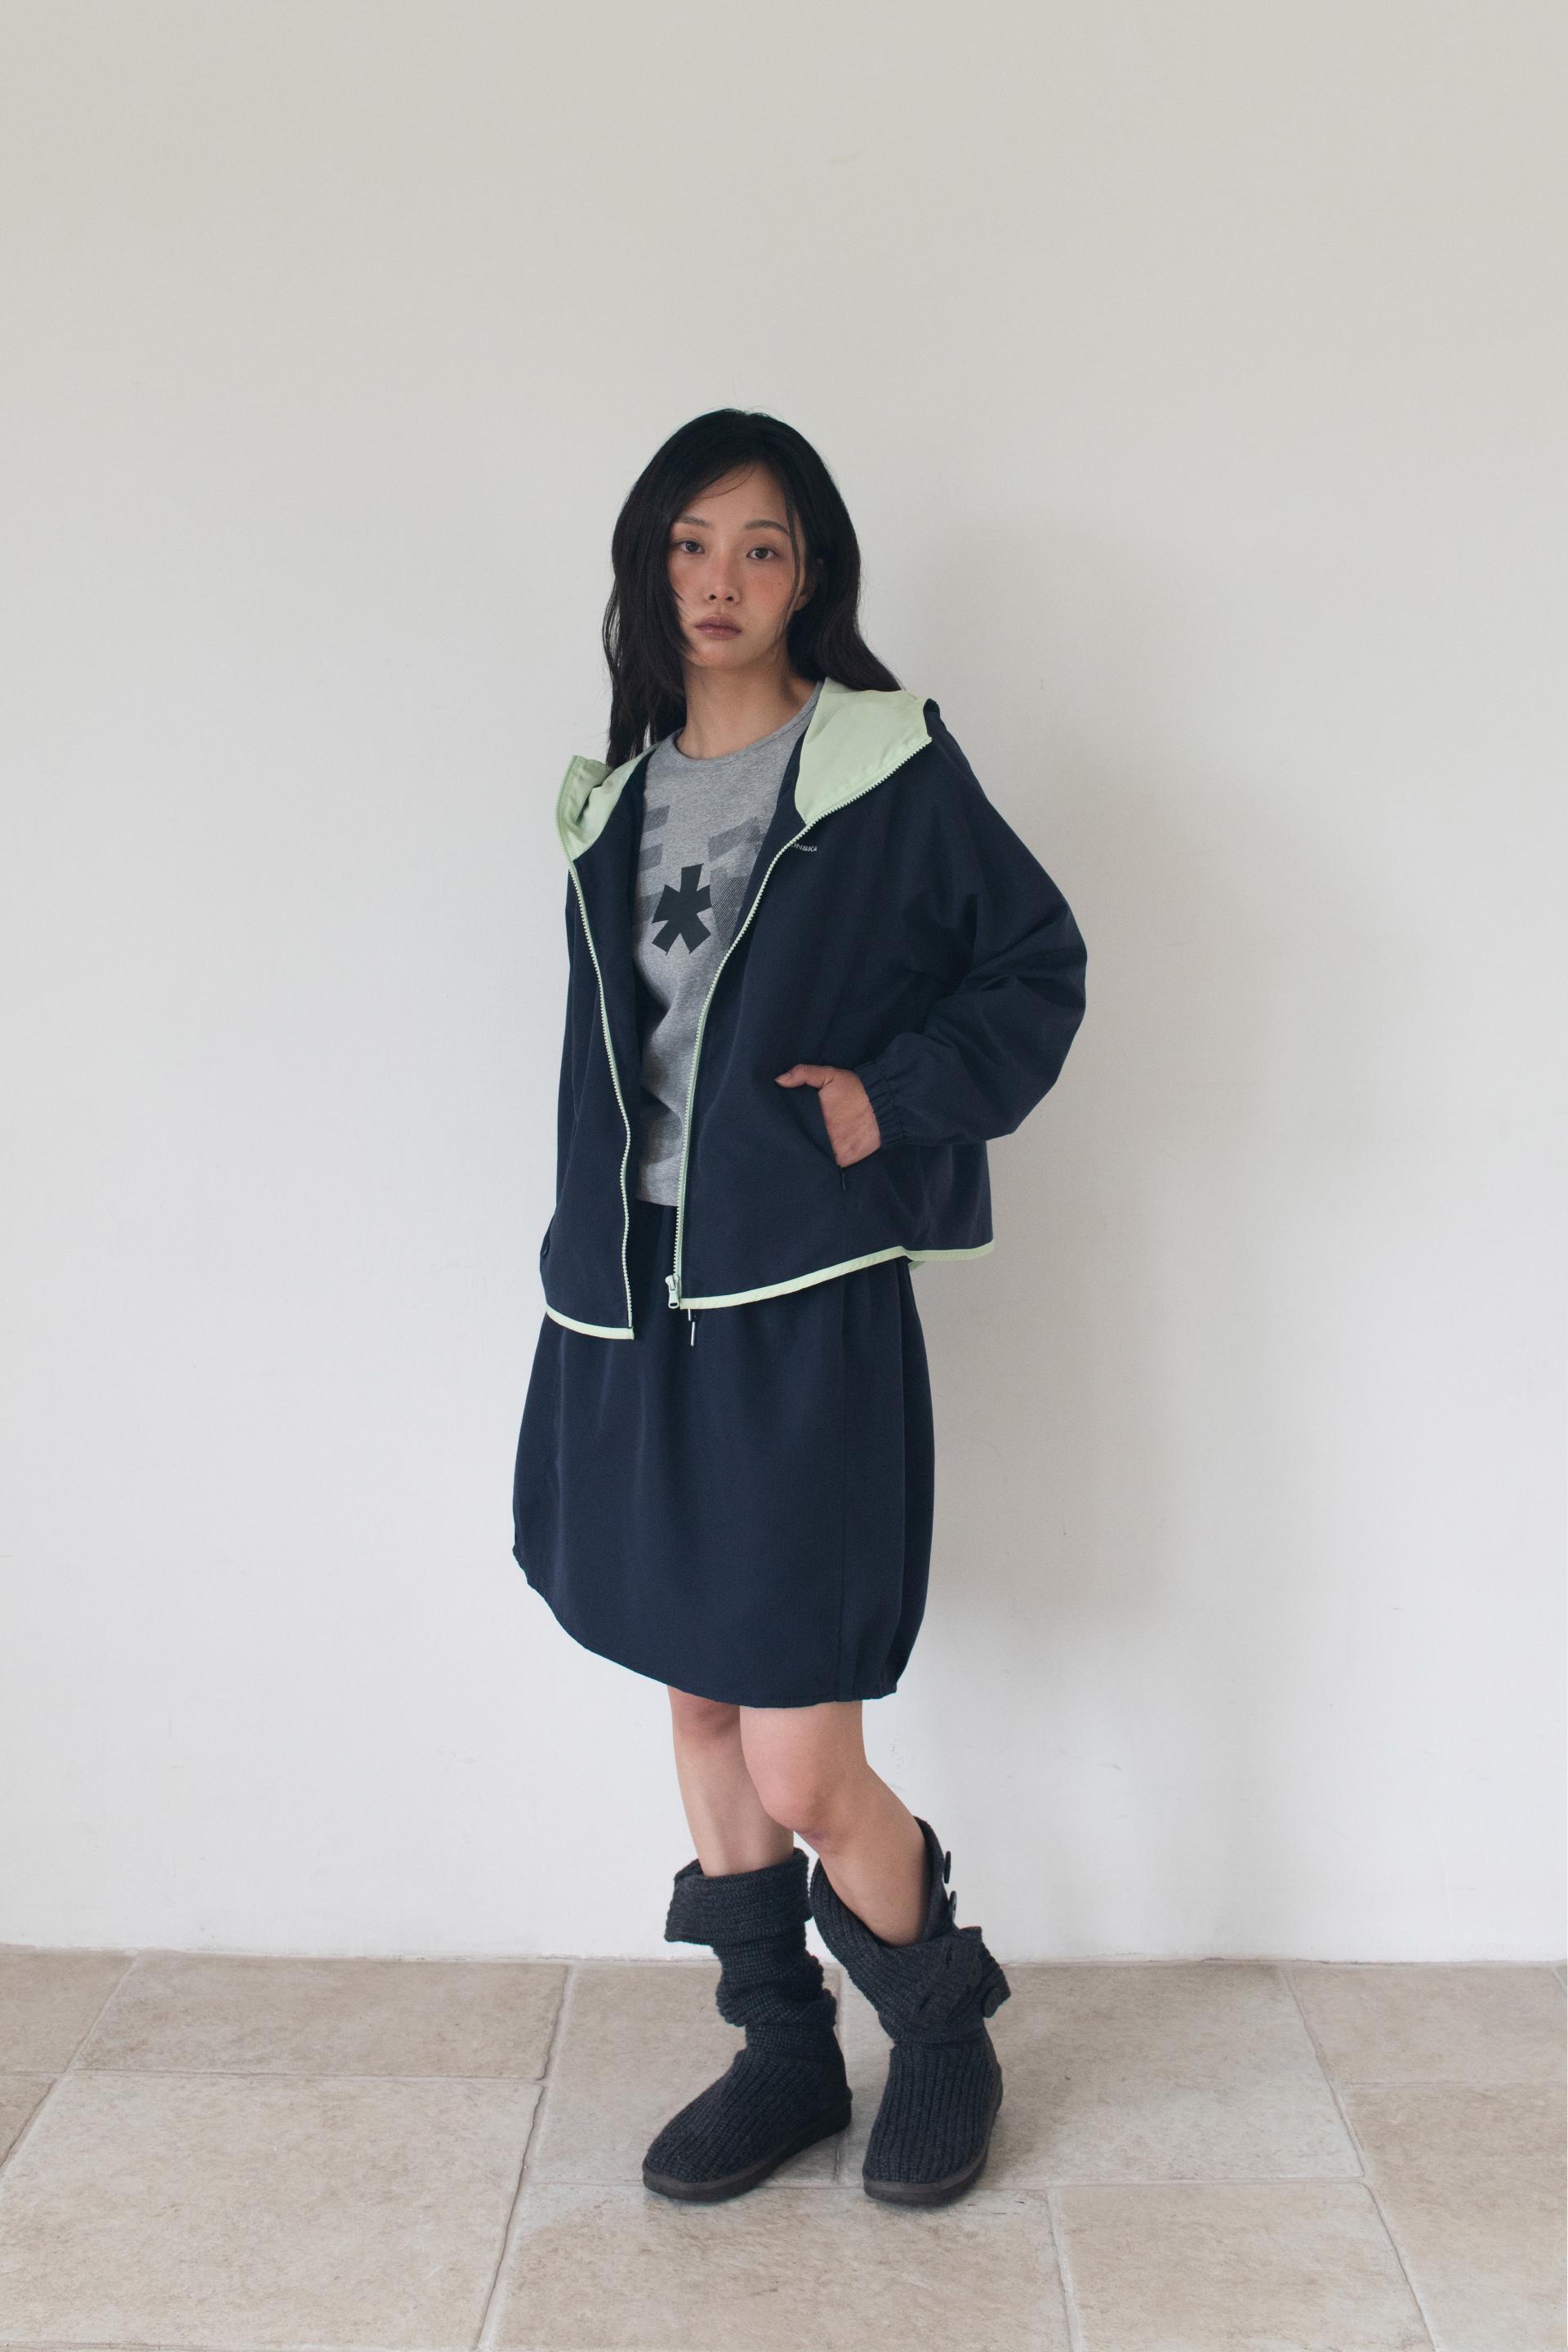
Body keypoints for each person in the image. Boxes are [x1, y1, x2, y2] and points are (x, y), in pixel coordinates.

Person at [512, 408, 1087, 2207]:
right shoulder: (614, 799)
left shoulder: (880, 770)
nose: (721, 580)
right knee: (698, 1706)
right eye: (690, 544)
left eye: (759, 546)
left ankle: (942, 2036)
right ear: (649, 568)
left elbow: (1035, 965)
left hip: (797, 1305)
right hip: (635, 1307)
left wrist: (884, 1102)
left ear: (808, 573)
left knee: (802, 1751)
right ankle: (782, 2054)